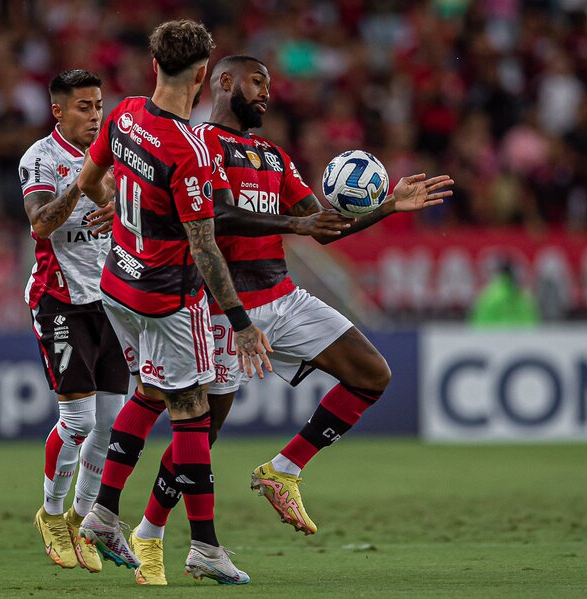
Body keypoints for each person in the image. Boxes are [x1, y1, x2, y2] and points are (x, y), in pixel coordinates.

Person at [128, 55, 454, 585]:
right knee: (201, 431)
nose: (265, 94)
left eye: (269, 86)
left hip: (282, 296)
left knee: (372, 374)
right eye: (257, 83)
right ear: (225, 82)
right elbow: (214, 214)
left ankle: (284, 469)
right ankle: (150, 531)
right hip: (222, 306)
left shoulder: (273, 156)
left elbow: (323, 227)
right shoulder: (199, 145)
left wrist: (388, 207)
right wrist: (295, 222)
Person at [73, 21, 351, 586]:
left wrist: (125, 218)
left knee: (153, 391)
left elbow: (88, 179)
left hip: (115, 283)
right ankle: (203, 547)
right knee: (193, 416)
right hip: (163, 296)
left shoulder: (125, 113)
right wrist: (243, 324)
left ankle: (103, 511)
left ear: (155, 63)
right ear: (205, 75)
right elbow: (204, 248)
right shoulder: (191, 149)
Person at [18, 69, 129, 573]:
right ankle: (51, 512)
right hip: (60, 300)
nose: (95, 114)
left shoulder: (119, 155)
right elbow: (40, 223)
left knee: (108, 424)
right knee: (79, 421)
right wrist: (82, 185)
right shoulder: (40, 158)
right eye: (84, 106)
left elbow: (130, 215)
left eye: (98, 104)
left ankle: (86, 523)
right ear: (59, 111)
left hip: (113, 302)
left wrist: (120, 208)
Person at [469, 261, 540, 327]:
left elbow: (478, 322)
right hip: (522, 337)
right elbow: (532, 322)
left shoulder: (487, 295)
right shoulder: (525, 297)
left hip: (490, 337)